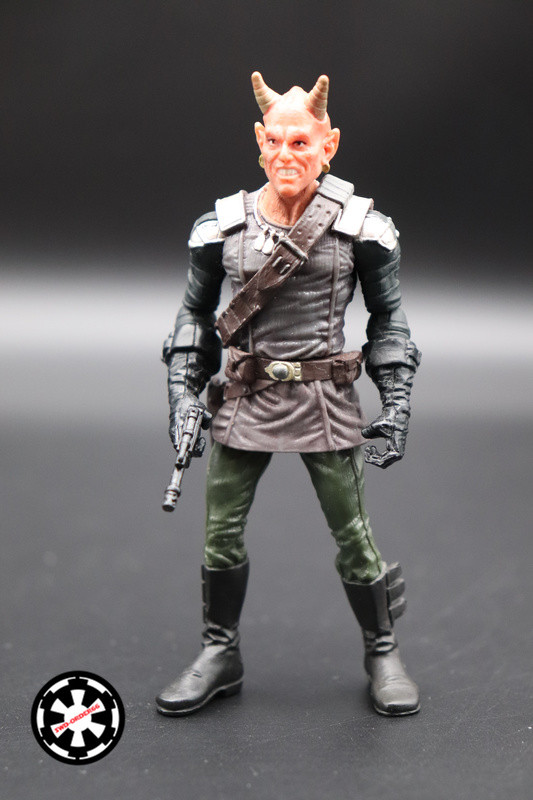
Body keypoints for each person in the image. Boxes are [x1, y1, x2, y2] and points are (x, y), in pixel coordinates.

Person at [156, 72, 421, 717]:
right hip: (244, 396)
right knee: (220, 533)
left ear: (329, 145)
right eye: (274, 141)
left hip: (324, 401)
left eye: (300, 143)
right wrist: (184, 395)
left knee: (353, 534)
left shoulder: (361, 228)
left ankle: (383, 649)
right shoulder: (221, 227)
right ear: (258, 141)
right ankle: (220, 650)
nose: (285, 155)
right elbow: (194, 318)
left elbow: (389, 320)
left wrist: (396, 400)